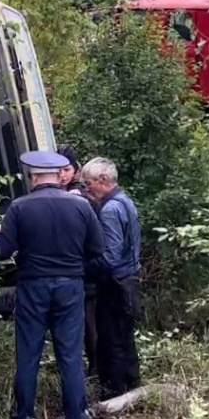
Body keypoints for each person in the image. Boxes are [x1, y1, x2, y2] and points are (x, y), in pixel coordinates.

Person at [0, 150, 105, 419]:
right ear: (58, 176)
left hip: (32, 288)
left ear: (33, 176)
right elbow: (98, 250)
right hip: (70, 287)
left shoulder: (19, 207)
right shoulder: (81, 207)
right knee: (70, 356)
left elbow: (1, 252)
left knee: (28, 354)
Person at [80, 156, 143, 399]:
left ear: (103, 180)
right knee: (125, 337)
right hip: (129, 279)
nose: (87, 190)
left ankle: (115, 392)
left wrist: (82, 267)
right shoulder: (126, 201)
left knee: (111, 339)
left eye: (88, 184)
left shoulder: (110, 209)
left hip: (115, 283)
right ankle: (131, 385)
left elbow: (110, 256)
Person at [58, 143, 98, 378]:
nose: (63, 175)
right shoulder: (64, 194)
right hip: (75, 267)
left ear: (76, 169)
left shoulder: (81, 195)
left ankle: (94, 367)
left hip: (85, 268)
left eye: (66, 170)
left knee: (88, 320)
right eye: (59, 171)